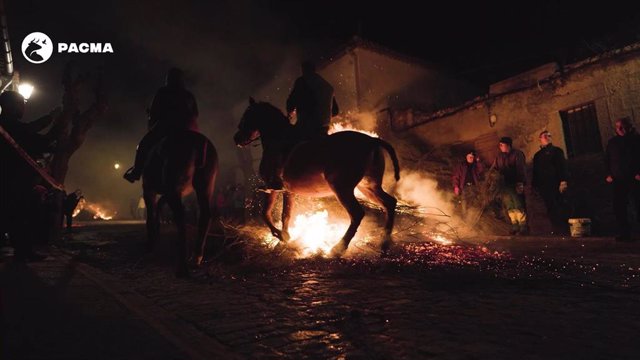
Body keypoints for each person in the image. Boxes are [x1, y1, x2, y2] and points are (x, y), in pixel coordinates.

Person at [123, 68, 199, 182]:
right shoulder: (189, 95)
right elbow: (196, 113)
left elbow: (154, 112)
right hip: (189, 129)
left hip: (167, 126)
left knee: (143, 145)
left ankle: (136, 172)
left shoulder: (163, 91)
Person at [605, 118, 640, 242]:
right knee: (619, 207)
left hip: (635, 179)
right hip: (618, 179)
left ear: (629, 126)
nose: (619, 129)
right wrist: (608, 174)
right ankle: (625, 233)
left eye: (622, 126)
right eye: (617, 127)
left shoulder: (636, 140)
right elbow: (607, 159)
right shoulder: (613, 142)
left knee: (638, 204)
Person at [286, 60, 339, 141]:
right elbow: (335, 111)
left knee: (290, 140)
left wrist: (289, 112)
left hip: (307, 126)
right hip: (324, 128)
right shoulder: (327, 85)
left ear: (304, 70)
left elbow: (292, 101)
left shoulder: (302, 81)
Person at [532, 130, 570, 234]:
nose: (547, 137)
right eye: (545, 136)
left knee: (559, 205)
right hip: (544, 186)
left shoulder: (557, 151)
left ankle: (564, 229)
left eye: (549, 135)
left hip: (556, 184)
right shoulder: (538, 156)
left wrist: (563, 180)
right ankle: (556, 229)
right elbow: (535, 171)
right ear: (540, 139)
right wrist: (534, 185)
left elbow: (562, 166)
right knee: (550, 207)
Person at [492, 136, 529, 235]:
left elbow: (521, 169)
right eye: (499, 145)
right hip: (505, 186)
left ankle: (523, 227)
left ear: (508, 145)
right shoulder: (499, 156)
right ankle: (515, 226)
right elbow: (495, 169)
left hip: (515, 184)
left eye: (502, 144)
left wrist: (520, 182)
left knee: (518, 205)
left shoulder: (517, 154)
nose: (500, 146)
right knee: (510, 206)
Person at [451, 150, 484, 216]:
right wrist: (456, 186)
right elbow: (456, 176)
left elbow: (481, 170)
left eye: (472, 157)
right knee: (464, 203)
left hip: (473, 187)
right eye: (469, 156)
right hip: (464, 187)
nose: (470, 158)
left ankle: (473, 217)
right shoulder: (462, 165)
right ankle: (465, 217)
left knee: (474, 203)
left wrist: (478, 161)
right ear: (466, 157)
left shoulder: (475, 166)